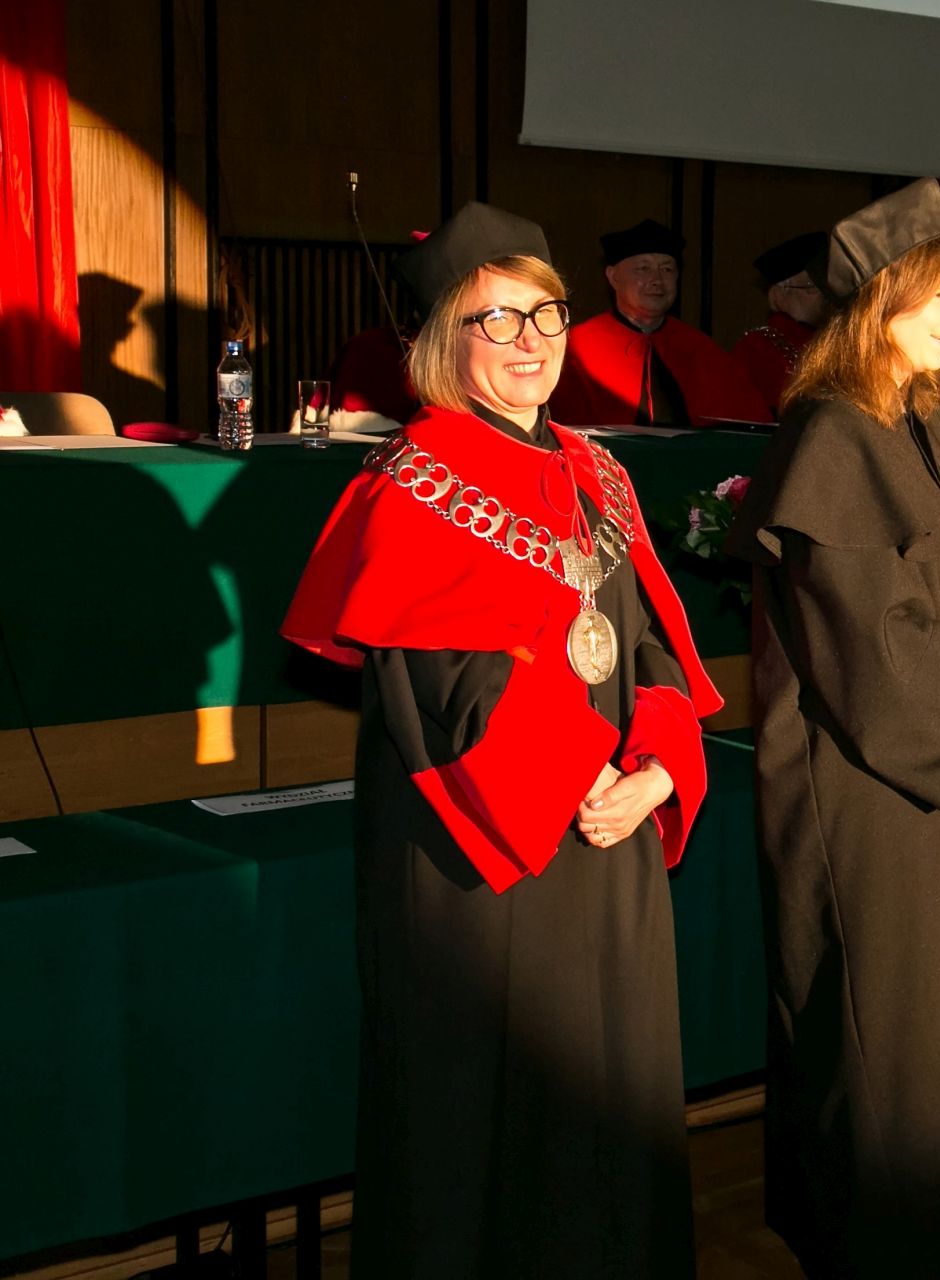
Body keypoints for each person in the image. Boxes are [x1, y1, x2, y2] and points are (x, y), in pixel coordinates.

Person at [281, 202, 722, 1278]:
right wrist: (593, 773)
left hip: (607, 834)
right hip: (477, 859)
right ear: (446, 337)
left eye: (547, 314)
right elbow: (451, 688)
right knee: (479, 1125)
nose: (532, 341)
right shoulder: (413, 481)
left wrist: (658, 766)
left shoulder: (597, 470)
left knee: (608, 1091)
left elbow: (644, 641)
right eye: (498, 319)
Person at [725, 178, 940, 1279]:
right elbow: (871, 641)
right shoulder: (833, 434)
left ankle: (914, 1227)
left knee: (918, 1022)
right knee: (870, 1027)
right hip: (859, 787)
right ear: (882, 303)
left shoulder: (912, 419)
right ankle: (866, 1246)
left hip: (921, 776)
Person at [549, 217, 772, 426]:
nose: (657, 280)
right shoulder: (577, 345)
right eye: (643, 269)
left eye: (667, 269)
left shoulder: (700, 347)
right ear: (613, 277)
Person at [733, 230, 830, 409]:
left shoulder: (835, 339)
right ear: (778, 294)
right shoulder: (757, 347)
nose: (823, 294)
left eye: (826, 285)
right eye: (811, 286)